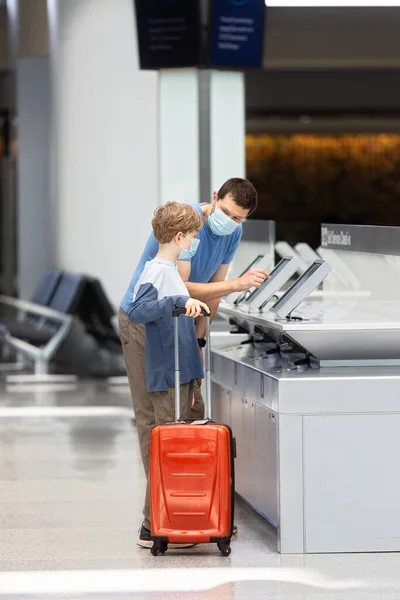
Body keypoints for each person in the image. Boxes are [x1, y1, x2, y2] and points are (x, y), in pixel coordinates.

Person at [119, 178, 269, 547]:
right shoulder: (184, 227)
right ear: (214, 198)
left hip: (183, 327)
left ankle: (196, 510)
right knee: (155, 416)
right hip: (148, 326)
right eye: (228, 213)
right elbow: (182, 291)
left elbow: (210, 293)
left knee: (190, 411)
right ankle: (155, 519)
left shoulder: (230, 233)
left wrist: (200, 339)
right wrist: (236, 285)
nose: (231, 223)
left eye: (240, 219)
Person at [119, 202, 210, 548]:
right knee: (168, 445)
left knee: (179, 440)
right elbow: (140, 311)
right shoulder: (156, 271)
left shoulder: (170, 270)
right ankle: (158, 522)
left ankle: (174, 517)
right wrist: (175, 304)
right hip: (166, 375)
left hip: (181, 373)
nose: (195, 241)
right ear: (178, 237)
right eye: (193, 236)